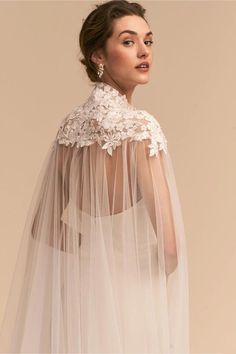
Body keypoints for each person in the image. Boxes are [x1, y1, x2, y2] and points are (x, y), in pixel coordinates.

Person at [0, 1, 189, 353]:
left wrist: (90, 252)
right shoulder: (141, 129)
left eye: (148, 41)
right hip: (131, 293)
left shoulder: (69, 128)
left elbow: (43, 223)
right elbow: (171, 246)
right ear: (98, 55)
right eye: (129, 42)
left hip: (79, 294)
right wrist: (134, 273)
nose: (144, 51)